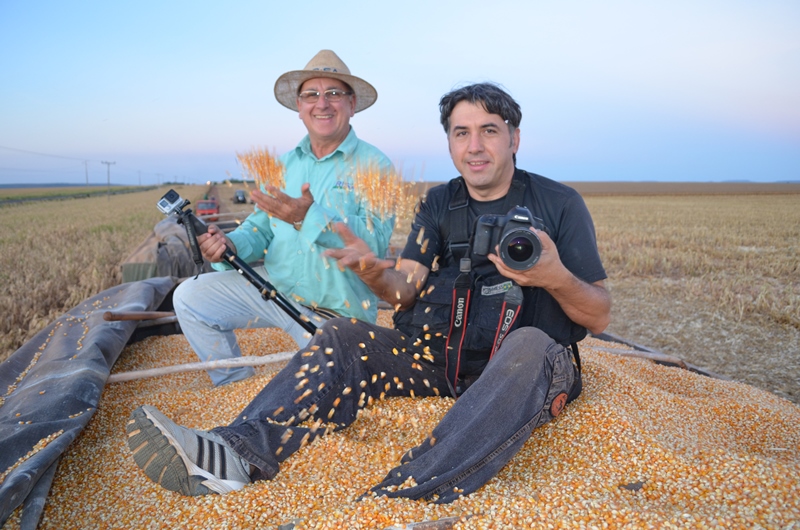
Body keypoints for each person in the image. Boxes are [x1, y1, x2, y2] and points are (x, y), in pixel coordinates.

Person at [127, 82, 611, 503]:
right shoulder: (441, 203)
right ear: (449, 143)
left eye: (489, 130)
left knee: (527, 343)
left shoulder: (558, 203)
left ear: (514, 137)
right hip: (442, 360)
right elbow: (403, 293)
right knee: (341, 336)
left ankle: (405, 494)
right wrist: (371, 270)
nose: (475, 145)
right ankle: (234, 453)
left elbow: (599, 316)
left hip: (528, 368)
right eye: (461, 133)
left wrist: (552, 276)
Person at [173, 50, 395, 386]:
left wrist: (310, 218)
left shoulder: (376, 167)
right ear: (299, 108)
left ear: (351, 104)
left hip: (336, 311)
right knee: (190, 297)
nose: (323, 104)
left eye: (334, 94)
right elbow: (260, 229)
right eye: (311, 95)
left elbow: (374, 245)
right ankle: (233, 382)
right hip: (273, 289)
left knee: (332, 390)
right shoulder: (282, 165)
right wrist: (228, 244)